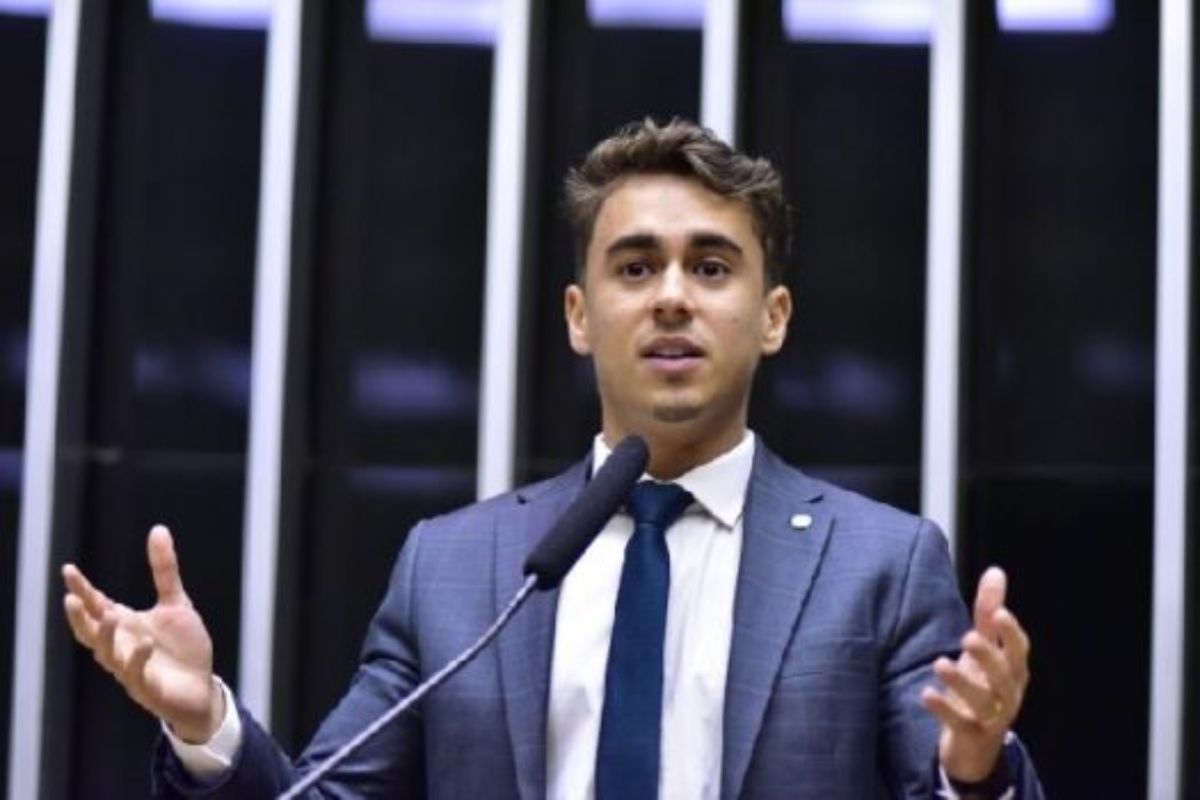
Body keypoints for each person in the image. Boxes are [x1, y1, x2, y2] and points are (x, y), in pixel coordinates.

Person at [62, 118, 1043, 799]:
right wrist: (208, 726)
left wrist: (974, 770)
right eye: (635, 266)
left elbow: (954, 779)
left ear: (772, 317)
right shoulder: (457, 569)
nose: (671, 296)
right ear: (580, 316)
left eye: (710, 267)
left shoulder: (880, 566)